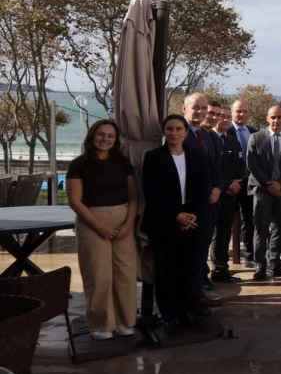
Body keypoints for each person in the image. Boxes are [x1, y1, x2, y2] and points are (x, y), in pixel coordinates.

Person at [68, 120, 138, 340]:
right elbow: (75, 201)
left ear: (116, 140)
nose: (105, 139)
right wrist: (100, 227)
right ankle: (101, 325)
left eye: (110, 136)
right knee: (99, 276)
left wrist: (128, 225)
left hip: (123, 220)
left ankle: (125, 321)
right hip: (92, 221)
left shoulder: (123, 163)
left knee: (125, 274)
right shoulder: (79, 164)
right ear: (92, 136)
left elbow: (134, 197)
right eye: (101, 134)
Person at [142, 114, 210, 326]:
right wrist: (176, 215)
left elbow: (203, 188)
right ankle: (168, 313)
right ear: (164, 132)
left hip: (193, 220)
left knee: (188, 268)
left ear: (185, 132)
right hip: (164, 221)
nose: (174, 133)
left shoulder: (197, 155)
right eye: (170, 129)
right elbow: (151, 192)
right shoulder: (153, 157)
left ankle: (186, 311)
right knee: (166, 270)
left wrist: (193, 215)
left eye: (178, 129)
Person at [247, 105, 281, 281]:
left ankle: (274, 264)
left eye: (279, 117)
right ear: (267, 118)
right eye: (273, 117)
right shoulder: (256, 138)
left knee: (279, 228)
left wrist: (280, 184)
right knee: (260, 229)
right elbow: (252, 164)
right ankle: (260, 266)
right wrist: (268, 183)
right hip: (262, 191)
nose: (276, 121)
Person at [182, 93, 222, 293]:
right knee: (187, 250)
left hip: (208, 202)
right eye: (195, 107)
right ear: (185, 109)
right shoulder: (178, 133)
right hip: (187, 203)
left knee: (202, 246)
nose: (200, 112)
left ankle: (199, 286)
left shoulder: (208, 135)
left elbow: (215, 165)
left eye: (203, 108)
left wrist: (217, 188)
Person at [211, 103, 246, 284]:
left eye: (226, 116)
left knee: (225, 233)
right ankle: (211, 269)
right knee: (213, 234)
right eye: (220, 116)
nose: (224, 119)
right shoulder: (209, 139)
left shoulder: (232, 140)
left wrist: (237, 182)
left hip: (231, 195)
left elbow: (240, 165)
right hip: (214, 195)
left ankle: (222, 268)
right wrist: (226, 184)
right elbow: (212, 169)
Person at [227, 99, 258, 265]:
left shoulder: (254, 131)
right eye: (238, 111)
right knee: (226, 220)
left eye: (245, 111)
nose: (241, 114)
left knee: (249, 218)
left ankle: (248, 253)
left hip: (250, 182)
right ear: (232, 112)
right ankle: (224, 255)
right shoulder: (227, 130)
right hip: (231, 183)